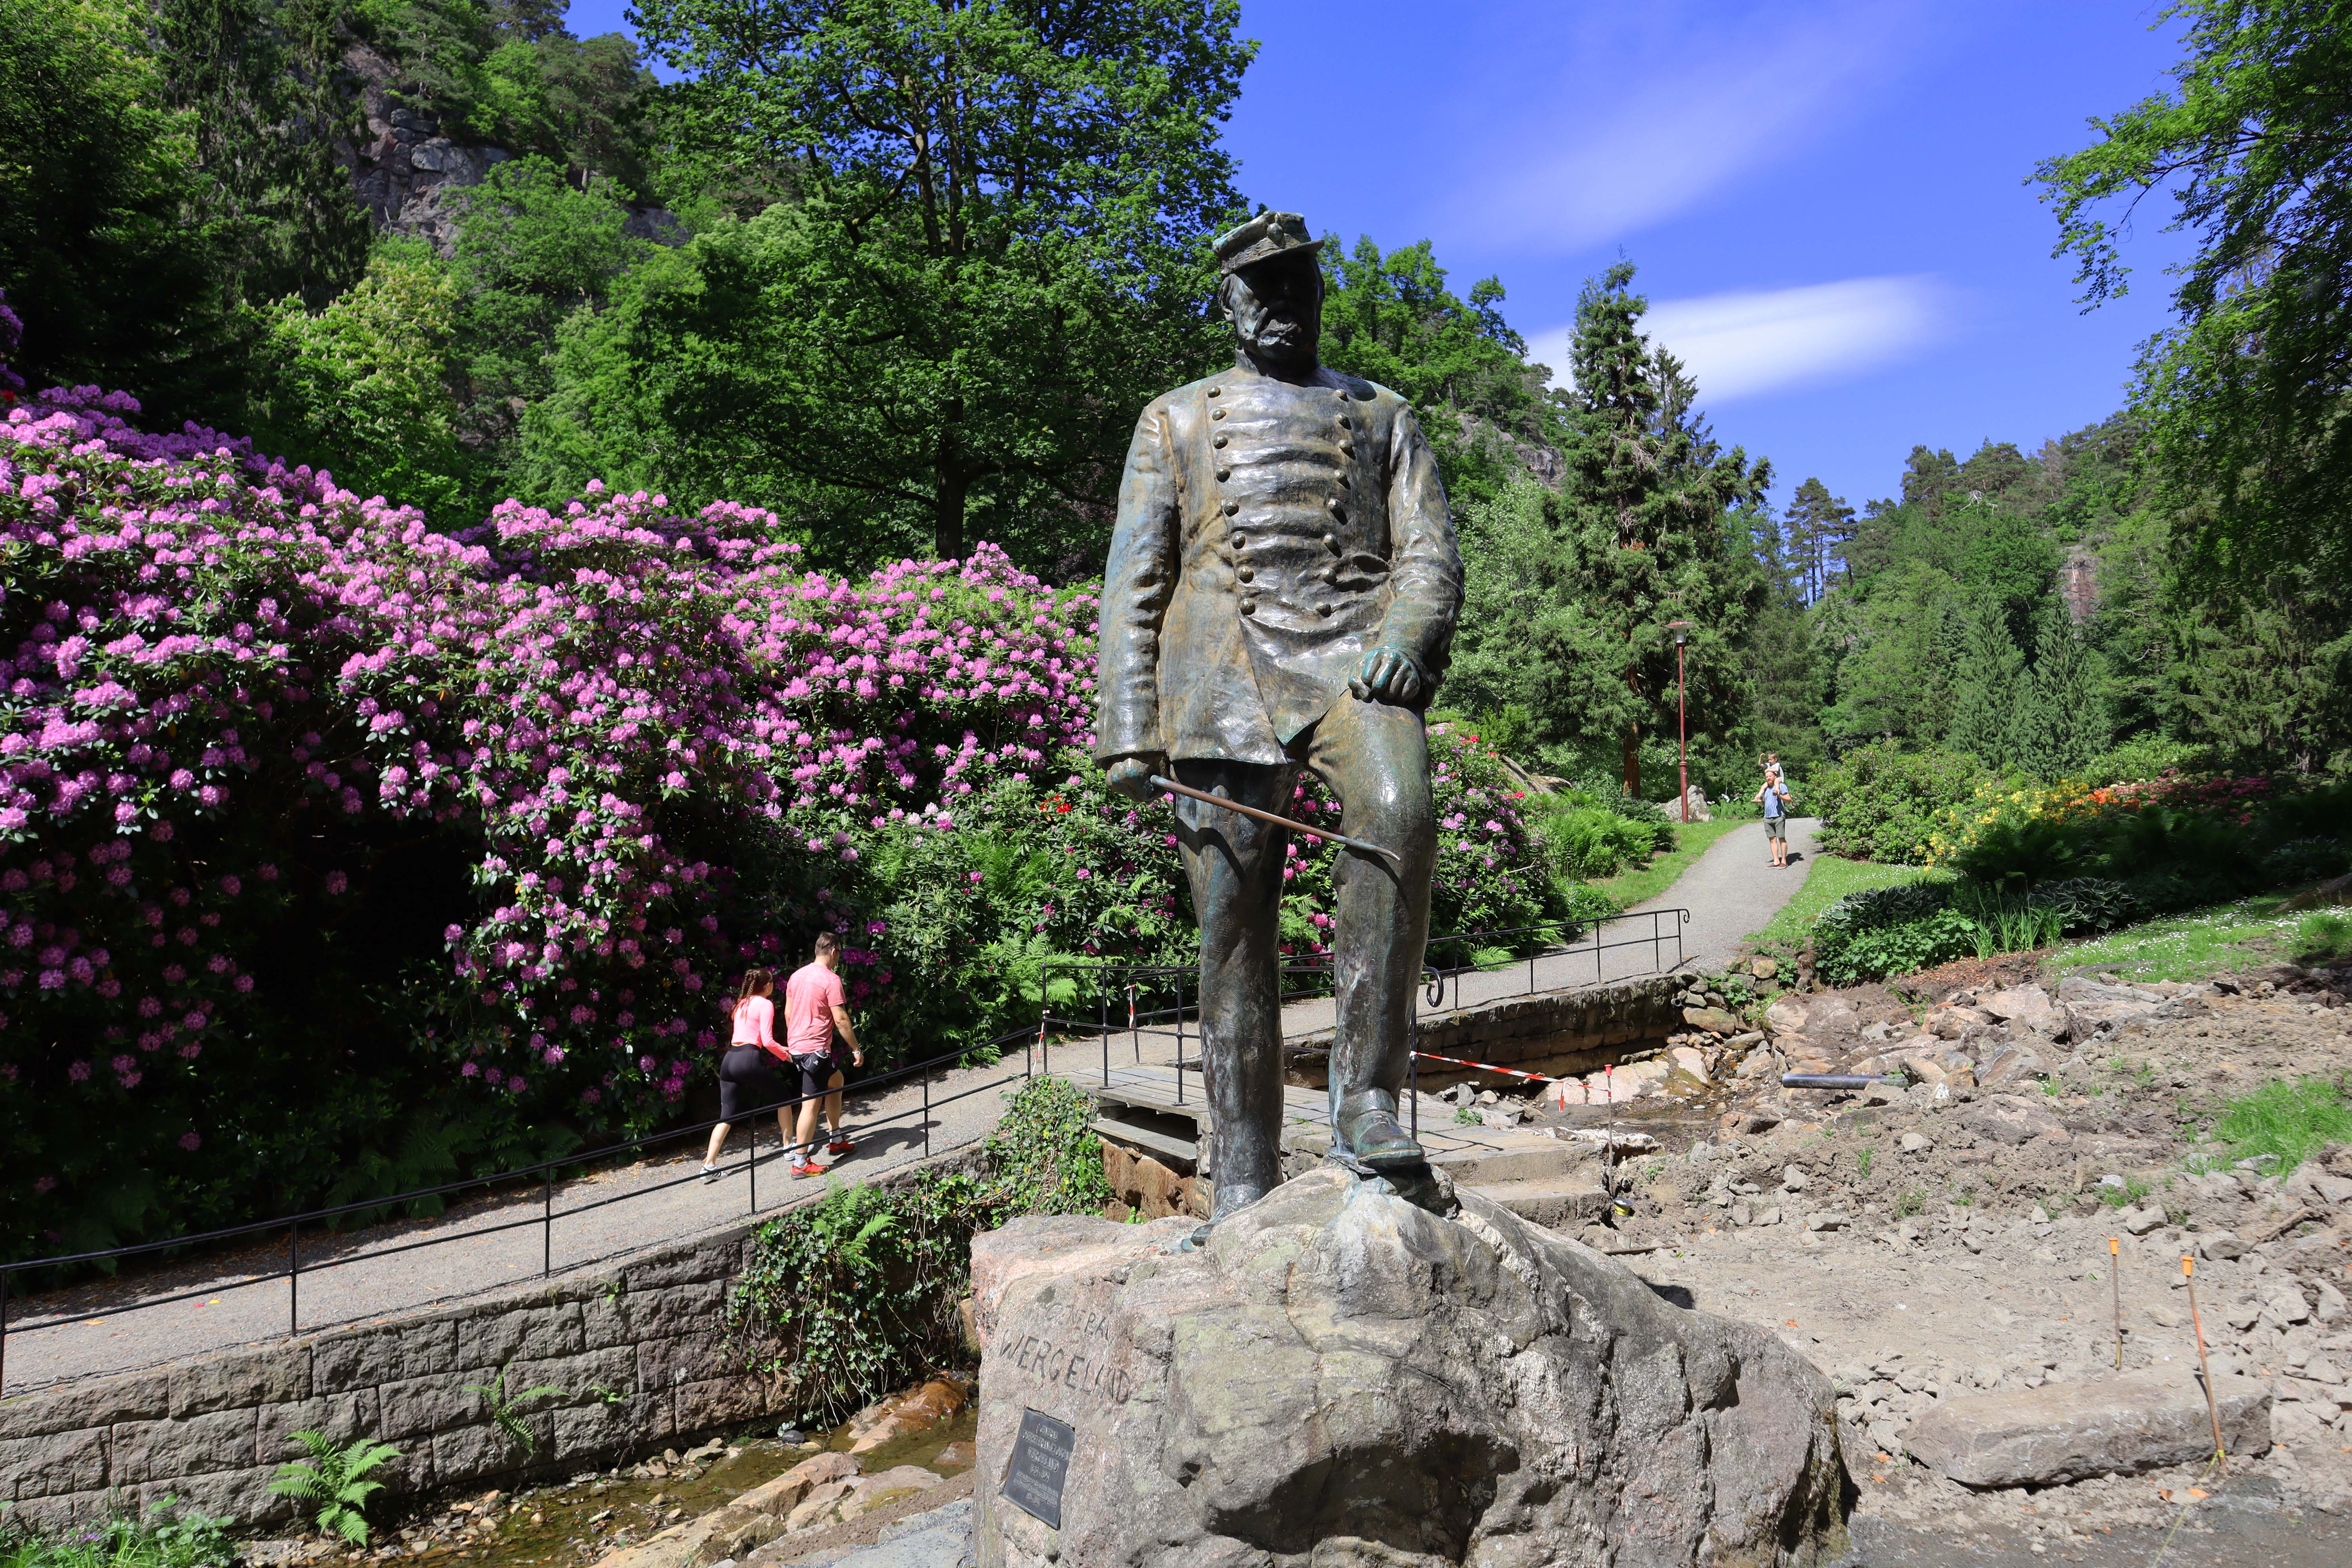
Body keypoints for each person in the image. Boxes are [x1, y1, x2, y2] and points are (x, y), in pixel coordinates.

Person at [1094, 209, 1461, 1219]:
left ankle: (1370, 1103)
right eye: (1259, 290)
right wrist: (1130, 724)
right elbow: (1134, 578)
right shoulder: (1173, 420)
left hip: (1356, 658)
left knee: (1399, 813)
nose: (1279, 306)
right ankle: (1244, 1176)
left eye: (1295, 286)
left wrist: (1410, 634)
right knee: (1230, 926)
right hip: (1220, 671)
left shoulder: (1384, 415)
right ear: (1227, 304)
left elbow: (1430, 552)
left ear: (1317, 296)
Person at [782, 933, 864, 1176]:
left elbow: (787, 1014)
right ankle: (800, 1162)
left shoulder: (796, 977)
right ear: (834, 952)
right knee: (810, 1104)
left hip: (799, 1046)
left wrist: (795, 1041)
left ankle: (836, 1138)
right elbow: (840, 1019)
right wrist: (856, 1049)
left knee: (836, 1081)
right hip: (814, 1051)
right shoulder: (831, 979)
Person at [701, 969, 792, 1183]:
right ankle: (790, 1147)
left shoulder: (741, 1003)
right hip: (748, 1058)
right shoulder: (766, 1004)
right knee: (784, 1098)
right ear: (768, 986)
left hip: (730, 1060)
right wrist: (785, 1056)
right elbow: (768, 1041)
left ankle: (709, 1165)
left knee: (727, 1115)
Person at [1756, 754, 1791, 868]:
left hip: (1778, 816)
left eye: (1770, 777)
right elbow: (1766, 805)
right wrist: (1760, 802)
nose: (1768, 778)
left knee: (1781, 838)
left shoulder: (1781, 786)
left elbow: (1789, 801)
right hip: (1768, 817)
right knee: (1772, 840)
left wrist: (1780, 795)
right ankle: (1776, 861)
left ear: (1775, 776)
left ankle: (1784, 861)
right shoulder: (1766, 789)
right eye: (1766, 777)